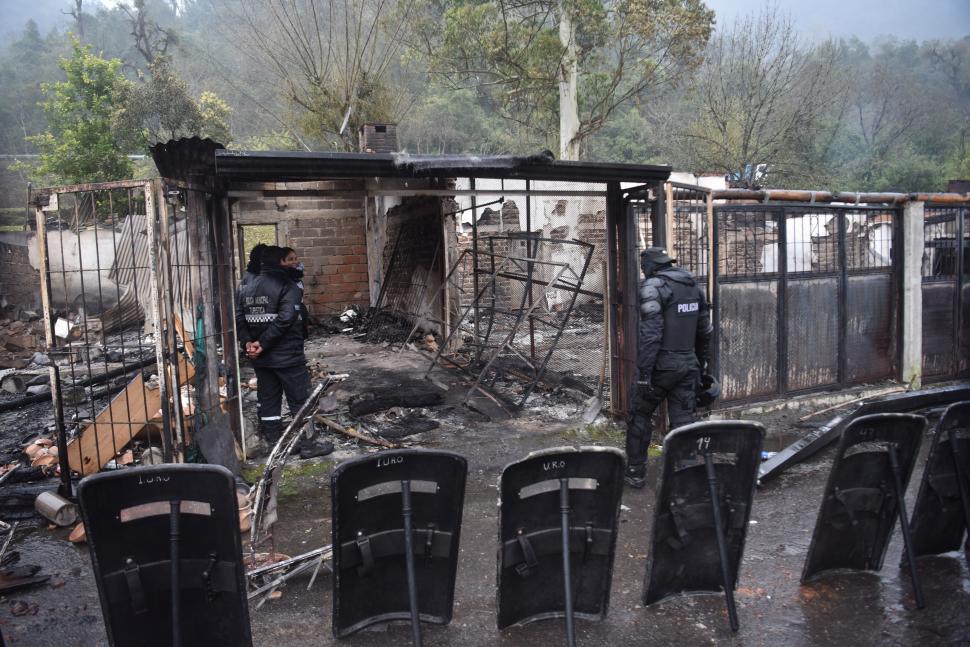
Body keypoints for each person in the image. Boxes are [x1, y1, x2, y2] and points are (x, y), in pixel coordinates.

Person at [624, 247, 713, 488]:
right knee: (683, 421)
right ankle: (684, 475)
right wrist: (702, 366)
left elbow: (650, 335)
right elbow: (705, 332)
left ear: (650, 266)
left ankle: (635, 473)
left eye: (644, 269)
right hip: (688, 364)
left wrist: (644, 375)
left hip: (662, 367)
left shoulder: (654, 287)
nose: (643, 273)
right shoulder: (693, 286)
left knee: (640, 415)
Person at [236, 245, 332, 459]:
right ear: (279, 262)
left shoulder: (246, 286)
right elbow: (286, 318)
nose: (295, 263)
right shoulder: (288, 285)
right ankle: (308, 445)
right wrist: (262, 343)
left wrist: (249, 343)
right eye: (288, 260)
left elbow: (240, 318)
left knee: (269, 400)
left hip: (261, 359)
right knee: (300, 399)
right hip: (287, 356)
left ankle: (274, 446)